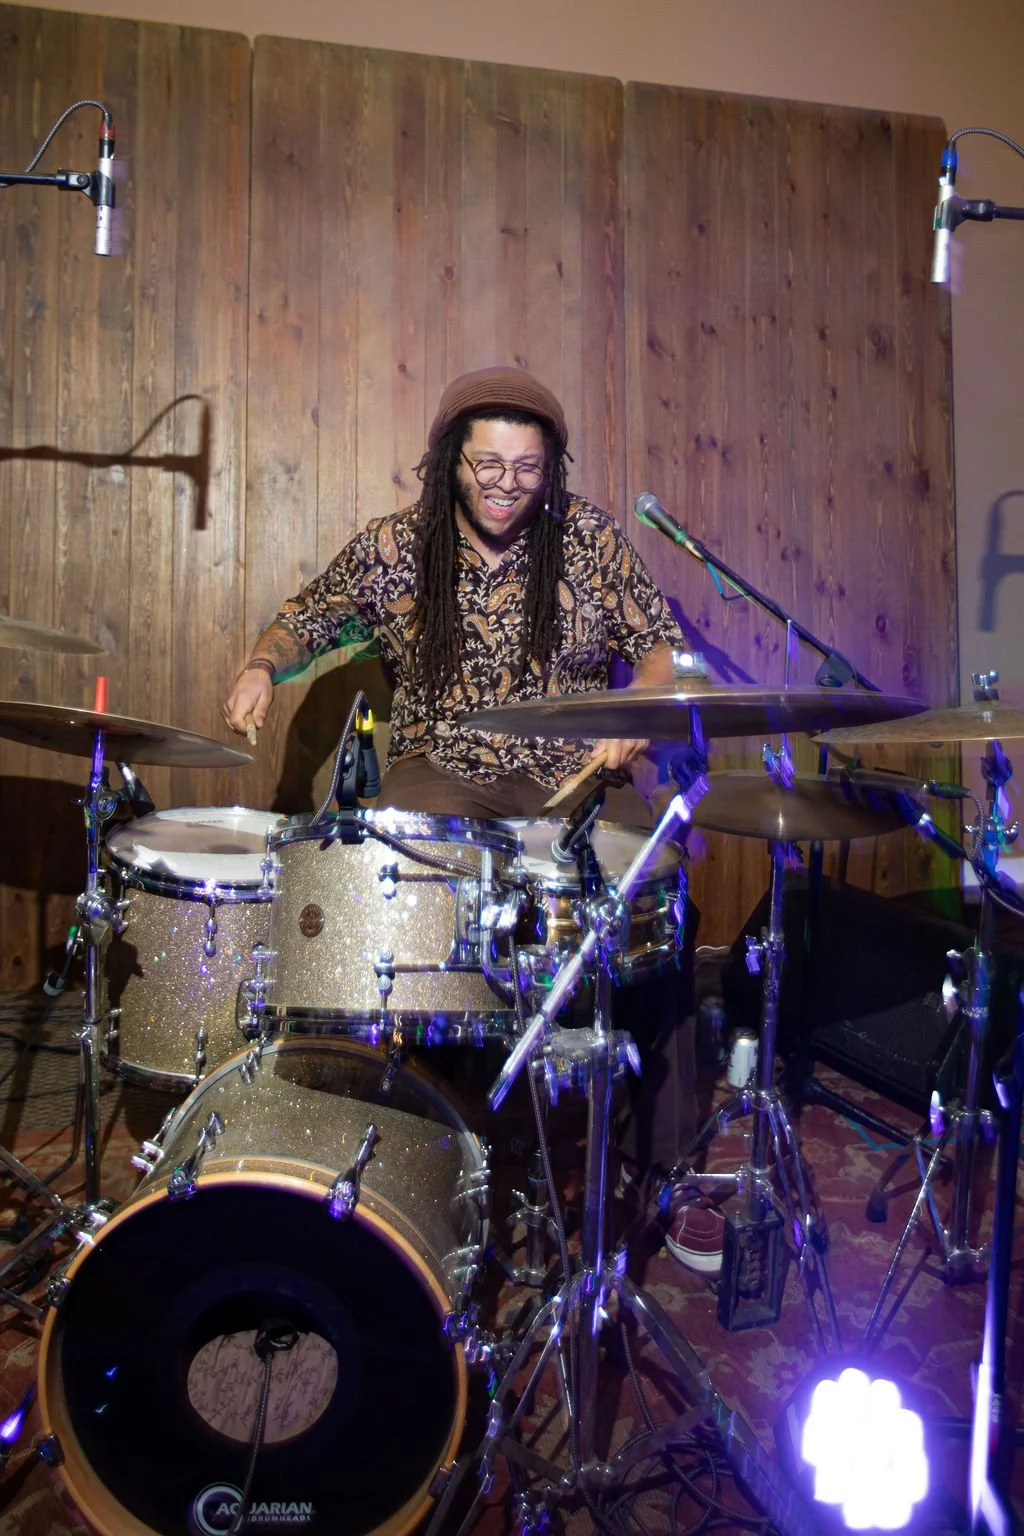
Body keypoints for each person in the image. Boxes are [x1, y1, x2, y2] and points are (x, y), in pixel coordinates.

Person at [222, 365, 714, 1268]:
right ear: (451, 458)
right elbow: (308, 621)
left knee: (656, 889)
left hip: (569, 777)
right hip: (441, 772)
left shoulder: (589, 542)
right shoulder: (397, 547)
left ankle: (663, 1174)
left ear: (550, 468)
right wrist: (262, 666)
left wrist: (643, 710)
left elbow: (659, 649)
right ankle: (423, 1154)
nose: (505, 486)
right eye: (488, 466)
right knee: (405, 874)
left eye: (526, 469)